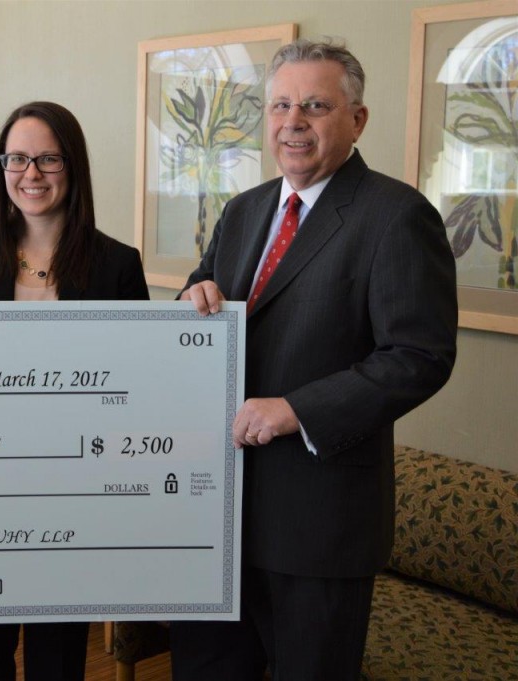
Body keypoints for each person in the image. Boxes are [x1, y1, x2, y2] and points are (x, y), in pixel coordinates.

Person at [170, 39, 457, 680]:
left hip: (318, 527)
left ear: (356, 119)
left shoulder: (397, 216)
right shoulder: (244, 210)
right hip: (217, 515)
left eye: (315, 105)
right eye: (279, 105)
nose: (292, 121)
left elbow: (419, 356)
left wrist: (296, 410)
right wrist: (196, 292)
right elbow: (205, 287)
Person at [0, 101, 150, 680]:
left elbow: (137, 387)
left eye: (48, 158)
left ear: (72, 166)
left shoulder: (117, 266)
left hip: (71, 491)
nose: (31, 174)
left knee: (58, 658)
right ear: (2, 168)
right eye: (17, 159)